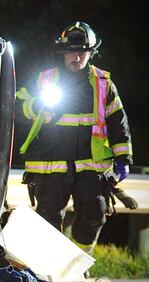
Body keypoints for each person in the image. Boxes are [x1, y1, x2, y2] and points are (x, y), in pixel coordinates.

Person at [16, 21, 133, 253]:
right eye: (72, 52)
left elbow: (118, 121)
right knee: (47, 218)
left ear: (90, 53)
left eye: (82, 52)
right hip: (50, 164)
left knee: (94, 215)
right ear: (63, 52)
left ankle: (78, 265)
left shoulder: (103, 84)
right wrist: (37, 105)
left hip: (90, 165)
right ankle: (50, 268)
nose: (77, 58)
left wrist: (123, 158)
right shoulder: (45, 80)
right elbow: (18, 106)